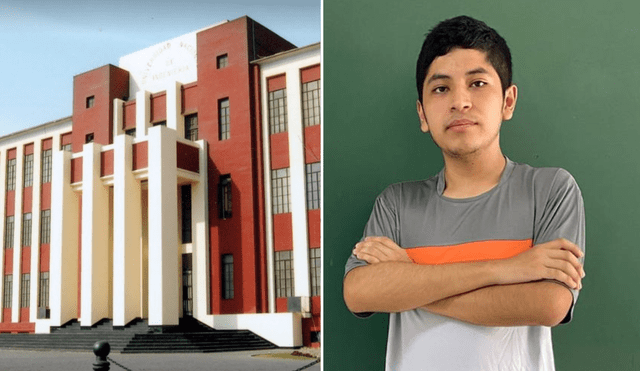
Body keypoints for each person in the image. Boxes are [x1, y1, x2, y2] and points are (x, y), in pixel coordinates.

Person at [343, 15, 585, 371]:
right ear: (422, 114)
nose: (460, 101)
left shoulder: (550, 190)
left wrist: (410, 278)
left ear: (508, 101)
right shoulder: (396, 203)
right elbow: (359, 292)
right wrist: (507, 269)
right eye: (441, 88)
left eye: (477, 83)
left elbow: (549, 305)